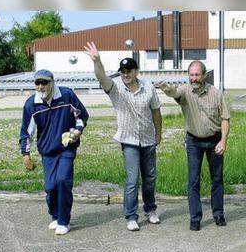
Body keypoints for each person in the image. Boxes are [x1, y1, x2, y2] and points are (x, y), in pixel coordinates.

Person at [84, 42, 162, 231]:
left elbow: (156, 112)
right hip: (128, 141)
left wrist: (159, 134)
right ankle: (131, 216)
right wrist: (97, 60)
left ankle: (150, 210)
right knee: (132, 179)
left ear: (136, 71)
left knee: (150, 178)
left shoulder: (148, 88)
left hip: (148, 140)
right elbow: (102, 78)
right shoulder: (116, 89)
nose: (126, 74)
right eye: (122, 71)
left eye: (129, 71)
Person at [156, 61, 230, 231]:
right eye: (191, 75)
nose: (194, 78)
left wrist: (223, 141)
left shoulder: (216, 93)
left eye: (197, 75)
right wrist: (165, 87)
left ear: (204, 75)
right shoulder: (184, 90)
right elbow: (173, 92)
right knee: (193, 181)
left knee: (217, 180)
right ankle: (195, 218)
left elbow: (225, 118)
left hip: (215, 140)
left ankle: (218, 214)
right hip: (194, 141)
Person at [19, 69, 89, 236]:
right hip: (47, 151)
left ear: (52, 82)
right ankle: (56, 215)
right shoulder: (31, 104)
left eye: (44, 83)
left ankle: (64, 220)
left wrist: (77, 130)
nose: (41, 86)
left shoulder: (67, 95)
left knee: (63, 181)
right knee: (51, 187)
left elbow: (82, 116)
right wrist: (25, 154)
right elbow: (26, 132)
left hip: (67, 148)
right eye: (37, 83)